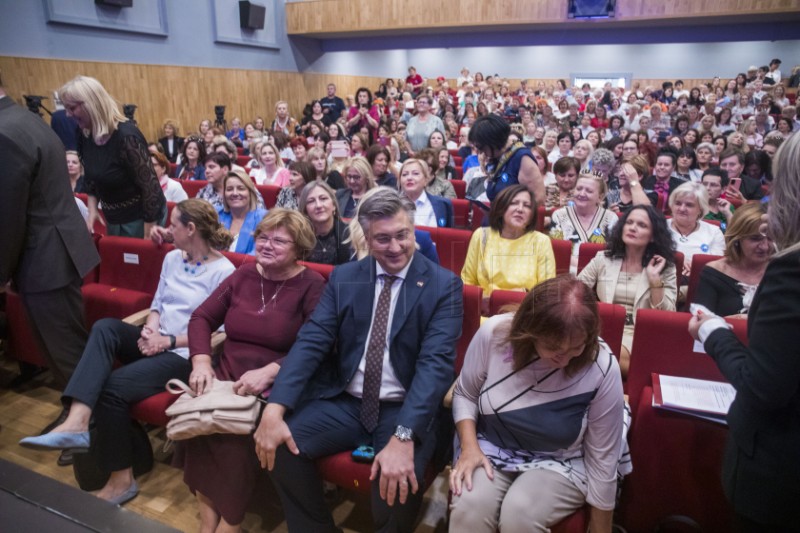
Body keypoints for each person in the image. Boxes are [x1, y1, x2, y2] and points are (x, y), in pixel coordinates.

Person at [256, 188, 463, 532]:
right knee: (278, 445)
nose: (395, 247)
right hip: (347, 401)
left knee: (395, 488)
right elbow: (312, 341)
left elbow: (435, 367)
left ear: (413, 231)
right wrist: (275, 407)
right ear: (366, 238)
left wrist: (402, 435)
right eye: (383, 238)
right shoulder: (344, 277)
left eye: (402, 235)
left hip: (404, 406)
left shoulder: (444, 286)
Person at [20, 200, 235, 503]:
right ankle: (78, 420)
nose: (167, 228)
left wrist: (168, 341)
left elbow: (219, 332)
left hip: (185, 355)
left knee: (112, 388)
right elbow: (159, 303)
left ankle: (122, 482)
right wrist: (150, 328)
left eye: (174, 223)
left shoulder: (224, 271)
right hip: (158, 339)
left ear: (191, 228)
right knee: (106, 327)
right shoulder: (174, 258)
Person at [178, 209, 326, 532]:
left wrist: (272, 370)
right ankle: (208, 522)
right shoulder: (243, 274)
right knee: (202, 422)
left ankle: (230, 523)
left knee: (233, 437)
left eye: (279, 240)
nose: (267, 244)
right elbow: (201, 318)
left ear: (299, 248)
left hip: (275, 388)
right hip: (226, 377)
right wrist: (201, 361)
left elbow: (316, 346)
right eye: (262, 237)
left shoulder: (312, 285)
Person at [449, 276, 629, 533]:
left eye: (576, 348)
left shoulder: (601, 366)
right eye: (553, 347)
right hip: (491, 445)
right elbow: (466, 394)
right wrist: (469, 447)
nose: (564, 358)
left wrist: (601, 529)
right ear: (529, 329)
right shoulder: (495, 334)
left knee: (520, 513)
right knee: (470, 504)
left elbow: (603, 459)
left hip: (563, 459)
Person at [688, 131, 800, 532]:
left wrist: (715, 332)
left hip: (781, 471)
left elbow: (764, 386)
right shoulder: (720, 274)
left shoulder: (791, 268)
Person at [1, 73, 100, 407]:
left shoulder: (5, 132)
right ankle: (81, 414)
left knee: (65, 351)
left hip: (43, 257)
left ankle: (92, 429)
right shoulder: (27, 121)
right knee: (65, 347)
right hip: (55, 251)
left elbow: (7, 215)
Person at [60, 75, 166, 238]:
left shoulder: (127, 137)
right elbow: (91, 175)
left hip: (140, 218)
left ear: (91, 104)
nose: (68, 114)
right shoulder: (84, 133)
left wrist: (147, 234)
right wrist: (93, 208)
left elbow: (150, 189)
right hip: (113, 217)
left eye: (72, 108)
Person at [578, 205, 677, 374]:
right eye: (629, 222)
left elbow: (666, 315)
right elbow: (575, 290)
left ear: (653, 236)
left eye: (642, 225)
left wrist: (655, 280)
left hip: (638, 334)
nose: (632, 227)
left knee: (589, 352)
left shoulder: (664, 267)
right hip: (602, 327)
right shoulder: (603, 259)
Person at [462, 184, 556, 315]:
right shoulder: (481, 235)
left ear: (532, 215)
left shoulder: (541, 241)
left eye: (527, 206)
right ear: (501, 208)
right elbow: (467, 282)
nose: (520, 209)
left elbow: (546, 292)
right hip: (484, 313)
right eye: (514, 203)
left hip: (524, 314)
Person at [693, 202, 771, 318]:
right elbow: (700, 325)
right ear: (737, 238)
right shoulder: (713, 273)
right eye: (755, 239)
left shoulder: (784, 272)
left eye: (771, 237)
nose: (764, 246)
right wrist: (737, 321)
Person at [550, 170, 618, 269]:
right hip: (565, 274)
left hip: (600, 274)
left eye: (589, 191)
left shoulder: (611, 218)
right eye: (579, 189)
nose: (582, 194)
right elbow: (556, 252)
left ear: (600, 197)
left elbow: (613, 254)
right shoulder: (559, 215)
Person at [469, 114, 545, 203]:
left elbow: (538, 199)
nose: (480, 151)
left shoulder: (522, 158)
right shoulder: (497, 157)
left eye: (481, 147)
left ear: (493, 142)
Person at [667, 182, 726, 281]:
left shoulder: (714, 232)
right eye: (678, 203)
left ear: (701, 209)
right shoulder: (659, 226)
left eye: (689, 205)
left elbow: (718, 266)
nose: (682, 208)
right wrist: (677, 259)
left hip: (700, 281)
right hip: (664, 279)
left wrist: (695, 268)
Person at [299, 180, 352, 265]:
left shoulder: (351, 234)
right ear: (305, 210)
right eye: (311, 201)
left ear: (334, 205)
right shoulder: (297, 237)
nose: (318, 205)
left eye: (323, 199)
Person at [217, 171, 268, 255]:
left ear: (250, 192)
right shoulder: (216, 214)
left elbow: (259, 253)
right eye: (229, 189)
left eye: (241, 188)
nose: (235, 193)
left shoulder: (264, 218)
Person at [398, 158, 454, 228]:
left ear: (426, 179)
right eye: (404, 174)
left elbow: (446, 235)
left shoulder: (443, 205)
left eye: (415, 173)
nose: (409, 178)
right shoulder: (390, 205)